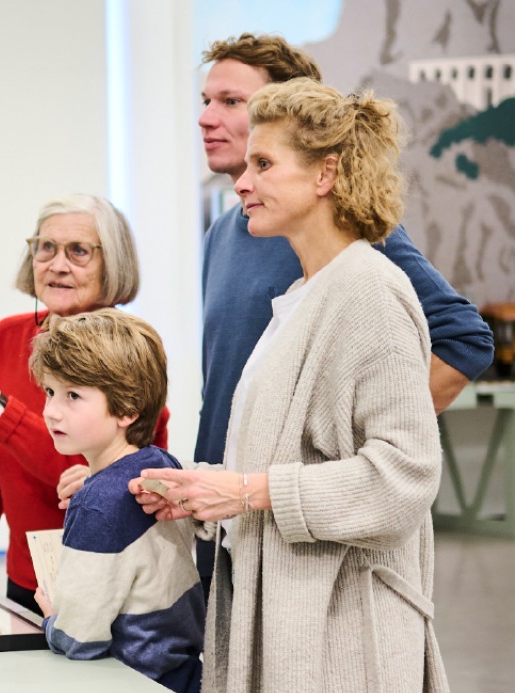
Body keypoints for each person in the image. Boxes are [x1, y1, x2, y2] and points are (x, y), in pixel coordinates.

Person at [137, 78, 449, 693]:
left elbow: (405, 475)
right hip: (289, 623)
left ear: (325, 174)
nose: (242, 182)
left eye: (263, 164)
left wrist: (249, 492)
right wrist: (202, 491)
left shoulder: (369, 292)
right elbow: (279, 460)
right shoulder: (306, 297)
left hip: (342, 645)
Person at [180, 33, 494, 594]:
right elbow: (225, 388)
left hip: (295, 533)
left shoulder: (346, 238)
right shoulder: (223, 235)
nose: (208, 117)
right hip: (228, 522)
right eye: (205, 100)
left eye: (232, 103)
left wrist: (349, 465)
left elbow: (464, 337)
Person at [0, 194, 168, 614]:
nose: (57, 265)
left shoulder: (129, 348)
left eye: (78, 251)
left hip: (108, 582)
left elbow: (77, 479)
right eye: (46, 248)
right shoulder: (5, 337)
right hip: (26, 580)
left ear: (112, 262)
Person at [28, 309, 203, 693]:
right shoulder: (160, 464)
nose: (52, 410)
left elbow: (79, 639)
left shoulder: (96, 504)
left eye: (73, 395)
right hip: (183, 677)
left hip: (130, 683)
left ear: (128, 409)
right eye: (50, 392)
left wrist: (52, 618)